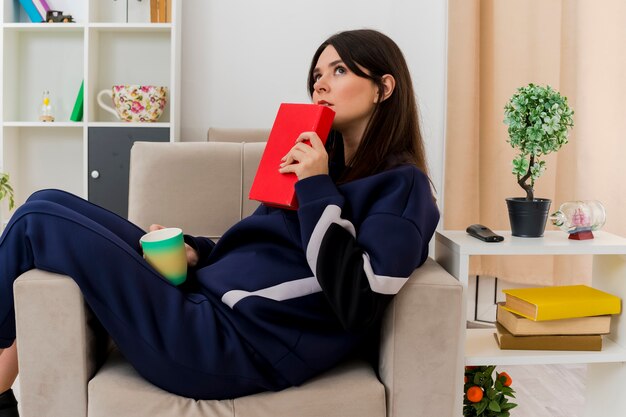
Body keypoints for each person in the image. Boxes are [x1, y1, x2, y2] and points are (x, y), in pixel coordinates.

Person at [0, 28, 439, 413]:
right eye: (317, 75)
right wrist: (197, 251)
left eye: (339, 71)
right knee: (46, 200)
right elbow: (262, 247)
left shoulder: (402, 187)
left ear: (384, 87)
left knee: (39, 217)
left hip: (223, 345)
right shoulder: (321, 165)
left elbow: (358, 301)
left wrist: (316, 187)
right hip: (200, 302)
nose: (321, 84)